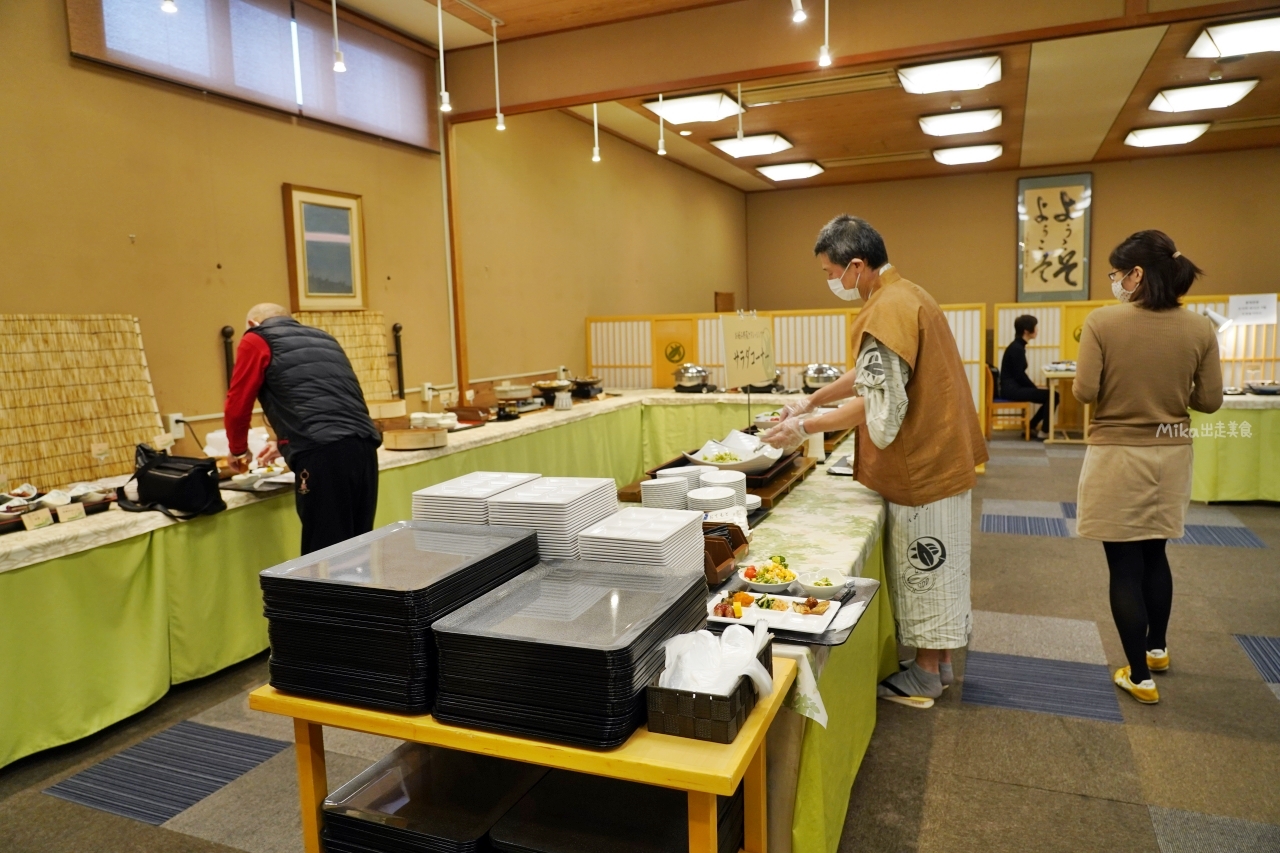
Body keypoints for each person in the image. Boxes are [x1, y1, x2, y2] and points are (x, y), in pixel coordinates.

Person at [761, 215, 988, 709]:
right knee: (943, 567)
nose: (829, 281)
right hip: (941, 453)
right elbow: (866, 376)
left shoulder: (887, 310)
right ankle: (939, 660)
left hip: (924, 464)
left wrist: (804, 426)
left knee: (925, 565)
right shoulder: (904, 295)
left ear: (856, 265)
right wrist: (812, 400)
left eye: (829, 271)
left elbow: (878, 401)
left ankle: (927, 673)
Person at [1073, 230, 1222, 705]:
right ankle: (1156, 649)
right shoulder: (1200, 327)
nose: (1115, 282)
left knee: (1124, 566)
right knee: (1156, 555)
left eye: (1117, 274)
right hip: (1172, 453)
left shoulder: (1102, 321)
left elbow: (1083, 390)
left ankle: (1139, 676)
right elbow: (1210, 400)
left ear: (1137, 275)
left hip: (1117, 455)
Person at [224, 303, 382, 554]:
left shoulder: (256, 339)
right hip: (364, 447)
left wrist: (238, 449)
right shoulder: (325, 339)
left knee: (324, 554)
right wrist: (285, 442)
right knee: (358, 549)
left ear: (252, 324)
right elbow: (327, 404)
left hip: (323, 455)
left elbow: (237, 403)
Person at [999, 314, 1055, 439]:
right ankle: (1043, 431)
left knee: (1052, 395)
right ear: (1026, 331)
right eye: (1035, 327)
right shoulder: (1017, 349)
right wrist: (1034, 388)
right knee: (1052, 396)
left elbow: (1019, 375)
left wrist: (1034, 388)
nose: (1037, 330)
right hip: (1011, 390)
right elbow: (1019, 376)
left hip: (1011, 388)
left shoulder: (1017, 346)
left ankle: (1032, 426)